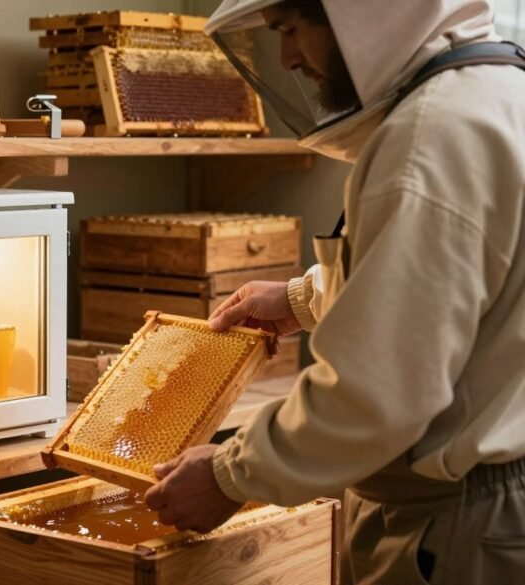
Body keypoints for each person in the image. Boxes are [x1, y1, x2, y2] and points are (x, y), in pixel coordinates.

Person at [142, 1, 525, 583]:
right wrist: (303, 299)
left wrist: (230, 473)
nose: (288, 58)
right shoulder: (498, 93)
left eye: (291, 29)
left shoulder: (430, 137)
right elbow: (467, 284)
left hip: (459, 526)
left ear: (364, 14)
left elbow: (376, 394)